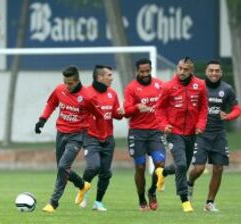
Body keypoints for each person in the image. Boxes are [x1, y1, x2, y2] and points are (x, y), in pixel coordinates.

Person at [35, 65, 104, 213]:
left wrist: (98, 135)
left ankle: (53, 202)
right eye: (65, 82)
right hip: (61, 133)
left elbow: (99, 115)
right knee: (62, 167)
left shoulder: (88, 97)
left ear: (78, 80)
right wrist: (42, 120)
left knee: (62, 167)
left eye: (70, 83)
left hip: (77, 136)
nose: (67, 86)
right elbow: (51, 104)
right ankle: (82, 185)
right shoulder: (60, 90)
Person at [155, 57, 208, 212]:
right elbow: (159, 109)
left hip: (191, 133)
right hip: (174, 132)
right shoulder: (168, 86)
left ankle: (163, 172)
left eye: (186, 69)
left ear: (191, 70)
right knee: (182, 164)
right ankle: (185, 200)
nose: (182, 72)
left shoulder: (200, 85)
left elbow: (204, 108)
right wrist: (164, 125)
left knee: (182, 165)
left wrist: (200, 125)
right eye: (180, 68)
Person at [188, 60, 241, 212]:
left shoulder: (227, 89)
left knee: (218, 168)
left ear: (221, 72)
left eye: (217, 71)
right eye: (211, 70)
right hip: (200, 134)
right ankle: (189, 183)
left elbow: (237, 109)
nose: (214, 73)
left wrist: (228, 116)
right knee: (198, 169)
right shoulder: (198, 87)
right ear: (206, 72)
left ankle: (209, 203)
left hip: (219, 135)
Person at [79, 65, 124, 211]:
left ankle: (98, 202)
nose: (112, 78)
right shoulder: (85, 93)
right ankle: (83, 191)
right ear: (100, 77)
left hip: (108, 139)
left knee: (106, 173)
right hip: (90, 137)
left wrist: (121, 112)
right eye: (109, 75)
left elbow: (116, 115)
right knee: (93, 166)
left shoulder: (112, 94)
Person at [123, 58, 166, 211]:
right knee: (140, 167)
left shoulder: (159, 85)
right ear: (137, 71)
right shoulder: (131, 88)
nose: (145, 74)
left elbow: (167, 104)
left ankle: (152, 192)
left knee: (160, 164)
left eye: (148, 71)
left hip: (156, 132)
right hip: (137, 132)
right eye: (142, 71)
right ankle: (141, 199)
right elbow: (126, 112)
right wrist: (136, 107)